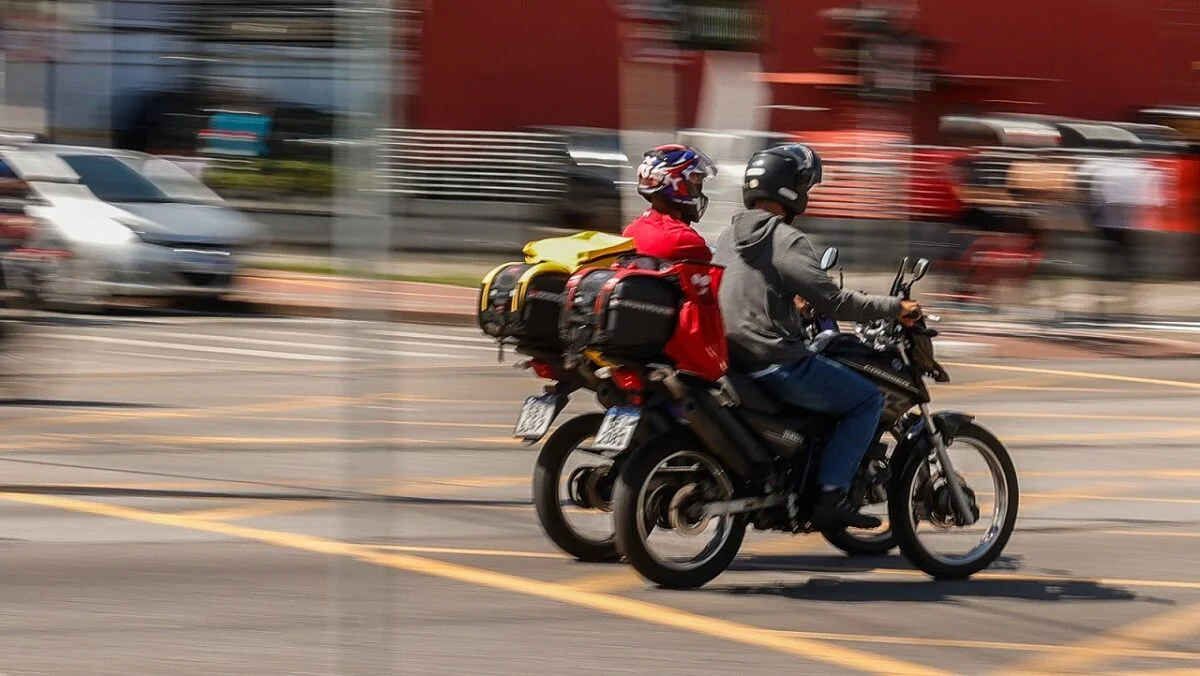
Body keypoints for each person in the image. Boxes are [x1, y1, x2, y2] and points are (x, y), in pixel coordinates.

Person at [713, 144, 921, 529]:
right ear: (791, 189)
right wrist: (895, 307)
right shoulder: (785, 239)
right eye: (805, 184)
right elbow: (837, 301)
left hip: (729, 359)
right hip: (772, 361)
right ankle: (829, 495)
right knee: (866, 400)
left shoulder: (728, 236)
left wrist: (791, 307)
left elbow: (750, 294)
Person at [622, 144, 718, 262]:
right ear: (676, 182)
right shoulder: (682, 238)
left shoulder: (632, 229)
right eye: (695, 178)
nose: (698, 186)